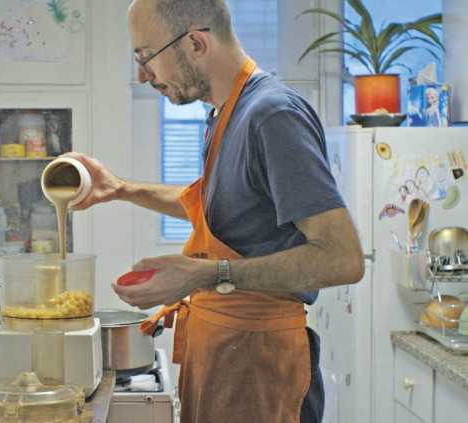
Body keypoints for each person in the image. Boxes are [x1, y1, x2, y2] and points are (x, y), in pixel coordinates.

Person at [62, 0, 365, 422]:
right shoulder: (226, 114)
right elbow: (225, 211)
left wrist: (205, 274)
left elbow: (342, 258)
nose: (143, 75)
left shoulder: (272, 116)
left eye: (146, 57)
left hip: (261, 367)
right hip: (226, 354)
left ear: (196, 44)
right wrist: (121, 189)